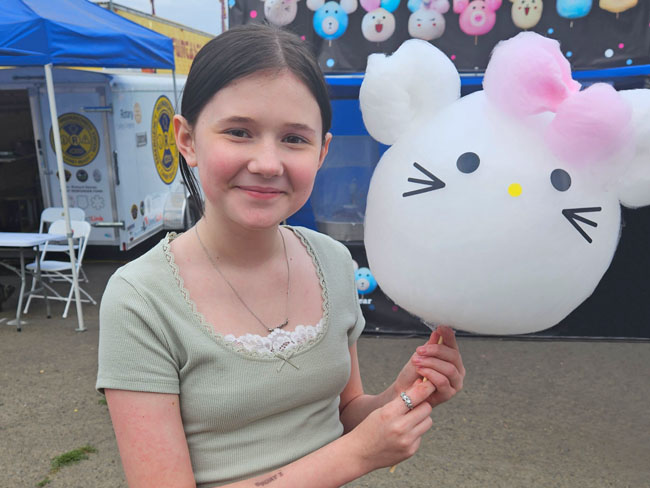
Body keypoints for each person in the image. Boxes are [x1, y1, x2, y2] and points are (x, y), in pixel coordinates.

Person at [96, 23, 465, 488]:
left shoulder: (332, 262)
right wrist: (356, 455)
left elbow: (346, 413)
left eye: (294, 139)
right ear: (187, 139)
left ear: (322, 151)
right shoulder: (140, 299)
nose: (268, 163)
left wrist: (405, 393)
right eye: (239, 132)